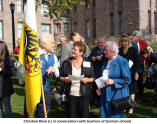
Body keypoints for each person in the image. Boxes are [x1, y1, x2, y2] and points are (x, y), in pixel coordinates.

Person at [60, 41, 95, 118]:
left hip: (84, 95)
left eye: (75, 49)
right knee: (71, 116)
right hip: (71, 94)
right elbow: (60, 77)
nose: (72, 51)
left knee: (84, 116)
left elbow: (93, 78)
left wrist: (87, 80)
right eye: (72, 49)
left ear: (81, 52)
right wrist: (64, 79)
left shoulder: (88, 62)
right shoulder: (66, 62)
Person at [96, 41, 131, 118]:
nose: (103, 52)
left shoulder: (122, 61)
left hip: (116, 96)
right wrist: (99, 87)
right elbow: (103, 76)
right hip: (104, 95)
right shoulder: (105, 61)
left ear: (113, 52)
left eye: (106, 50)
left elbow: (127, 80)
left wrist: (113, 81)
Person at [34, 34, 59, 117]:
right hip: (34, 89)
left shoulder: (53, 56)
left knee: (44, 111)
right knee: (32, 112)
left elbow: (57, 71)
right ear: (44, 44)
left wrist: (54, 69)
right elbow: (23, 72)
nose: (54, 45)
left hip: (46, 88)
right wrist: (35, 67)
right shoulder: (34, 55)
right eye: (52, 43)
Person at [118, 34, 139, 115]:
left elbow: (137, 62)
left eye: (125, 41)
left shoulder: (133, 49)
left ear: (128, 42)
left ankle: (131, 108)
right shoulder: (119, 50)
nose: (123, 43)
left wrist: (137, 72)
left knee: (131, 91)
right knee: (124, 90)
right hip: (122, 74)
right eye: (122, 41)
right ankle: (124, 106)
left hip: (132, 73)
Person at [89, 37, 105, 107]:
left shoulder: (105, 50)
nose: (100, 44)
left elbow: (107, 59)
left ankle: (101, 102)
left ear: (104, 43)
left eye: (101, 42)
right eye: (99, 42)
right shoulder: (94, 49)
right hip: (95, 71)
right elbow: (89, 56)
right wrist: (91, 58)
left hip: (103, 72)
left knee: (102, 88)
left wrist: (101, 58)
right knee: (95, 87)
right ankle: (95, 102)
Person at [0, 40, 15, 118]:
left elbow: (13, 73)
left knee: (7, 107)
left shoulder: (8, 60)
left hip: (6, 88)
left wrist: (3, 70)